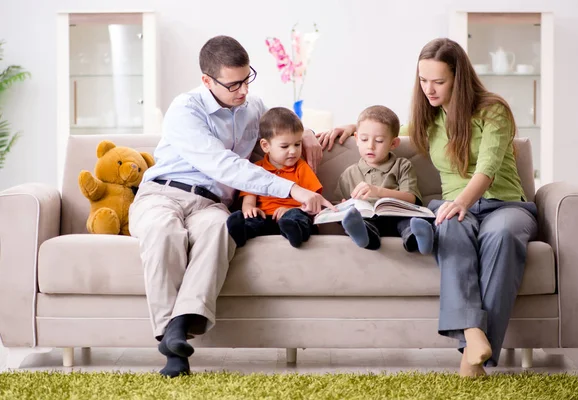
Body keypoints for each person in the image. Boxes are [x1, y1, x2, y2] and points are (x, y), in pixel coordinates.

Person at [317, 38, 538, 378]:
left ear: (458, 78)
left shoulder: (493, 110)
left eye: (438, 81)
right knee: (449, 230)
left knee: (503, 236)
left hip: (505, 204)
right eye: (423, 80)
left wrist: (462, 201)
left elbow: (487, 168)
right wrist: (351, 127)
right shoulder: (429, 119)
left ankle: (471, 354)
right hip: (453, 205)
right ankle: (473, 336)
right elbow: (390, 131)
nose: (429, 89)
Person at [129, 36, 333, 378]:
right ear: (207, 81)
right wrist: (292, 189)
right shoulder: (185, 110)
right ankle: (171, 340)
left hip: (210, 204)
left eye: (247, 78)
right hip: (162, 193)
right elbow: (224, 165)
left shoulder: (254, 108)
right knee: (163, 232)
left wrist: (308, 132)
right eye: (233, 83)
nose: (243, 90)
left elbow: (274, 139)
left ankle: (180, 328)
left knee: (220, 232)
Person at [333, 105, 432, 253]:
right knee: (360, 221)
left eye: (379, 141)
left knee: (409, 222)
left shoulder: (402, 165)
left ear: (393, 144)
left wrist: (377, 191)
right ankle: (364, 236)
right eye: (364, 139)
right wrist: (343, 207)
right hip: (368, 219)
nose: (370, 146)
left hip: (397, 216)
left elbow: (411, 198)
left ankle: (419, 239)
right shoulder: (349, 173)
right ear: (357, 139)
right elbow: (337, 205)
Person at [227, 107, 323, 248]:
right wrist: (250, 209)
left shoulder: (301, 168)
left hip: (292, 215)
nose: (293, 151)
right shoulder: (256, 170)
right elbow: (248, 200)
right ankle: (241, 232)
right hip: (265, 217)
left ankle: (295, 231)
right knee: (252, 219)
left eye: (297, 144)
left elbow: (313, 201)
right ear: (265, 146)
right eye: (285, 146)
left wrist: (291, 210)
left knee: (298, 217)